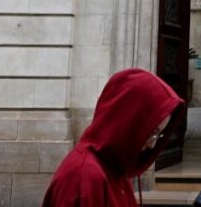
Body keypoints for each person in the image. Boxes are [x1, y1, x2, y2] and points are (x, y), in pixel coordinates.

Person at [42, 69, 185, 207]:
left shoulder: (114, 168)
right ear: (129, 121)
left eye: (158, 134)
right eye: (151, 132)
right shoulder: (85, 179)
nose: (152, 145)